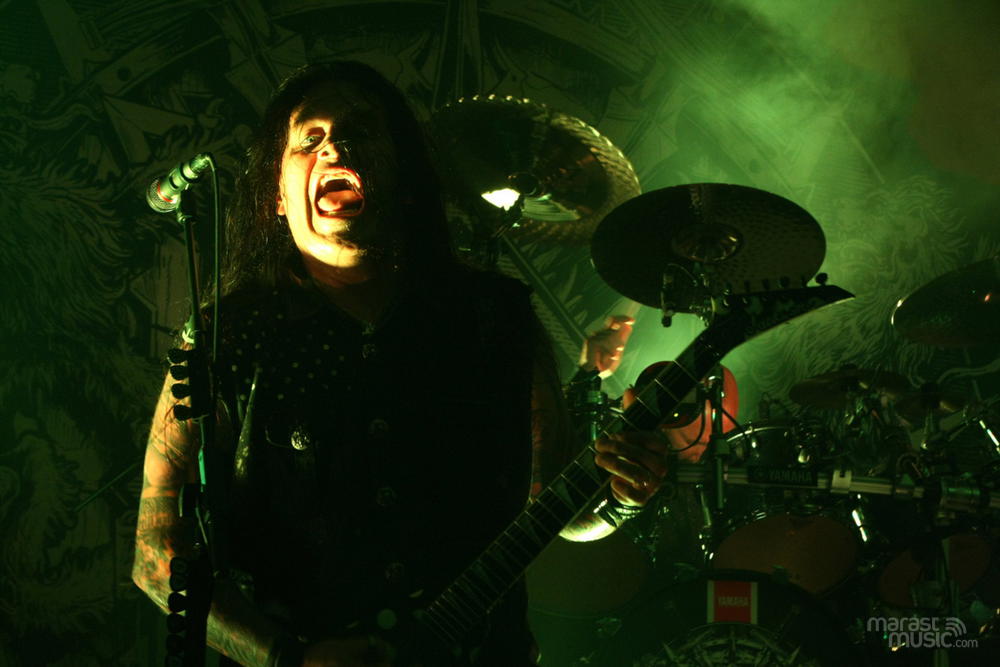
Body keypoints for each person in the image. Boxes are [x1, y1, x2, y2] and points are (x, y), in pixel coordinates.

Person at [131, 61, 669, 667]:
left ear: (404, 177)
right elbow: (156, 552)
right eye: (310, 138)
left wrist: (624, 491)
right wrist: (286, 658)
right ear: (276, 197)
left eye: (360, 131)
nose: (334, 146)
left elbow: (565, 512)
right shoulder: (227, 337)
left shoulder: (494, 317)